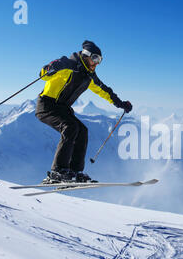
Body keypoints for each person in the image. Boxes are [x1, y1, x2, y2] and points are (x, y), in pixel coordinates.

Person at [35, 40, 132, 183]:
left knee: (82, 131)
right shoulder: (67, 65)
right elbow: (43, 75)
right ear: (86, 55)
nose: (97, 63)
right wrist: (50, 67)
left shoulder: (89, 76)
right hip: (47, 106)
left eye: (100, 60)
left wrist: (120, 104)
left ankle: (75, 172)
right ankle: (58, 172)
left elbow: (104, 90)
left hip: (63, 109)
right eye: (95, 58)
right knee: (70, 127)